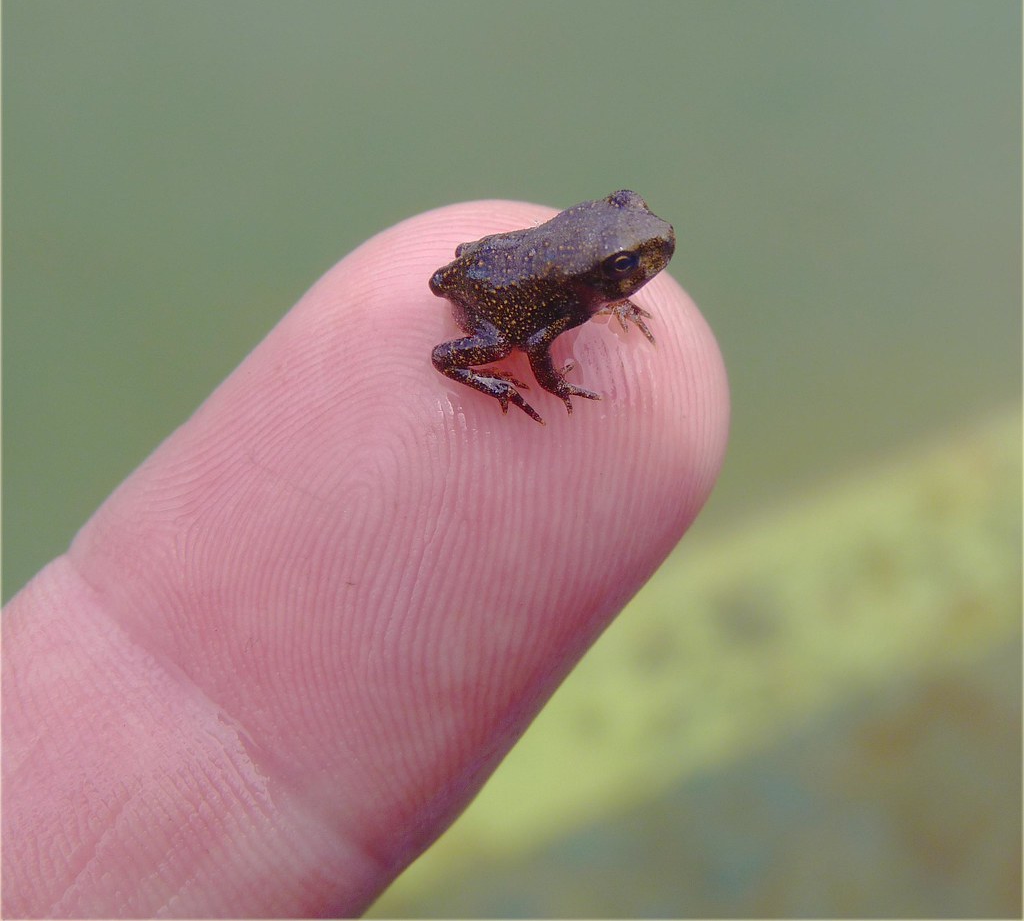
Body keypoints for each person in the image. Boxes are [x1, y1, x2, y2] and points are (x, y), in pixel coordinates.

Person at [2, 197, 729, 917]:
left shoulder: (583, 295)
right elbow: (535, 344)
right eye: (627, 265)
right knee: (469, 351)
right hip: (486, 301)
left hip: (497, 265)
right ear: (594, 278)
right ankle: (483, 367)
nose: (653, 247)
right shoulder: (566, 305)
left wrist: (611, 302)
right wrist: (547, 382)